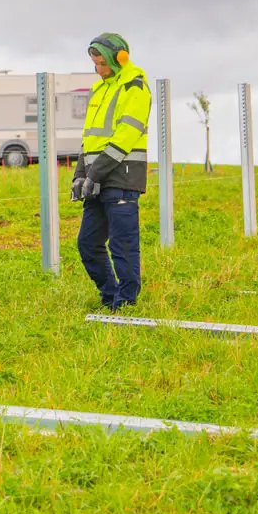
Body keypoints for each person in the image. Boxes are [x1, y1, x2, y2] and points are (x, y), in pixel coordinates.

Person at [72, 32, 152, 310]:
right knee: (88, 244)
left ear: (120, 58)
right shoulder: (100, 89)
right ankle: (110, 296)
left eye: (102, 64)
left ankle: (127, 302)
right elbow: (90, 138)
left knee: (123, 245)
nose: (98, 69)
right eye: (95, 64)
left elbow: (125, 136)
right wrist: (80, 174)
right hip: (98, 178)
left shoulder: (134, 87)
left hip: (122, 176)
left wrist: (95, 174)